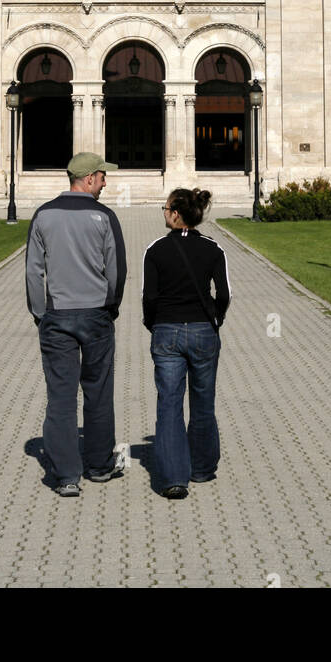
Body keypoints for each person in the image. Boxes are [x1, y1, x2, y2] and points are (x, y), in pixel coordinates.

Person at [25, 152, 127, 497]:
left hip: (57, 315)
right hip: (95, 313)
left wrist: (40, 312)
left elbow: (32, 270)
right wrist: (110, 306)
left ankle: (67, 474)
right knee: (98, 392)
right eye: (102, 177)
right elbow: (116, 269)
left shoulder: (43, 214)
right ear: (87, 179)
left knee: (61, 396)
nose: (105, 182)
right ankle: (99, 465)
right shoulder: (104, 216)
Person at [142, 188, 231, 500]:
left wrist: (152, 323)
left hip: (167, 331)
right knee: (203, 399)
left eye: (165, 208)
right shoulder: (213, 249)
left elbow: (149, 297)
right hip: (204, 331)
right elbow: (224, 294)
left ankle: (173, 478)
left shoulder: (154, 251)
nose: (164, 213)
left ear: (176, 214)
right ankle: (203, 467)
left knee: (169, 404)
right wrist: (215, 319)